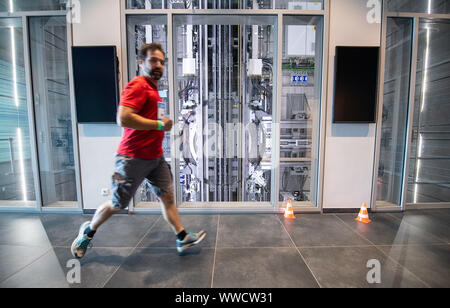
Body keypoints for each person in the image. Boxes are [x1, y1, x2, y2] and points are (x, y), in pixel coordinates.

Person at [71, 43, 206, 259]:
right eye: (154, 60)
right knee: (117, 204)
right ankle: (86, 234)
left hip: (155, 158)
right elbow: (123, 118)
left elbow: (150, 119)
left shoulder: (153, 90)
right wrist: (160, 125)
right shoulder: (137, 86)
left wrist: (160, 123)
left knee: (168, 197)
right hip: (132, 158)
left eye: (162, 62)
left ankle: (182, 238)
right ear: (141, 62)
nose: (159, 65)